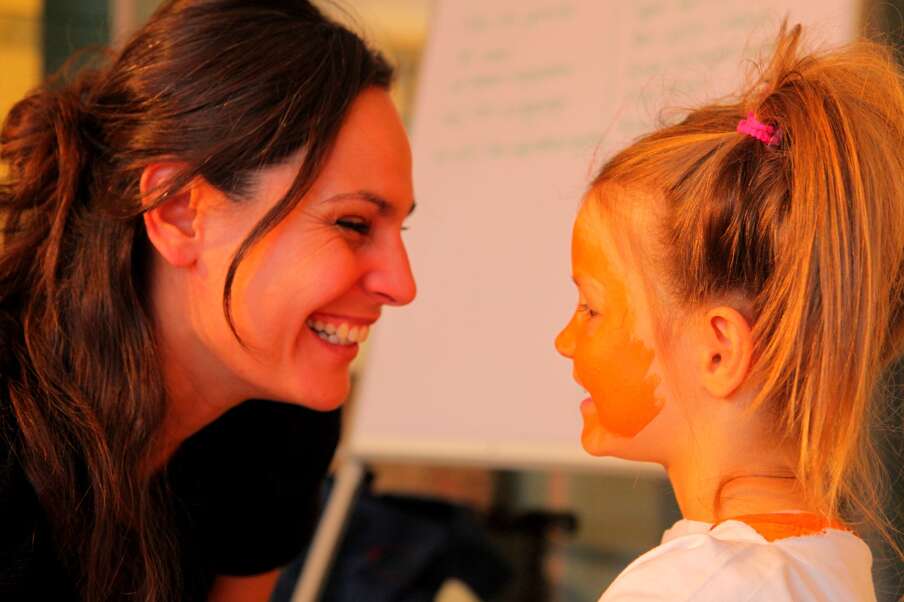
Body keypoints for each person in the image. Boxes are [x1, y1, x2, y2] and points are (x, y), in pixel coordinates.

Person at [0, 0, 416, 600]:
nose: (402, 285)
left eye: (400, 230)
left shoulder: (281, 420)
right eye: (353, 224)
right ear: (178, 213)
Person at [555, 24, 903, 601]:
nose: (565, 340)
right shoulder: (830, 563)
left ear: (719, 349)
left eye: (591, 308)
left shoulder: (691, 587)